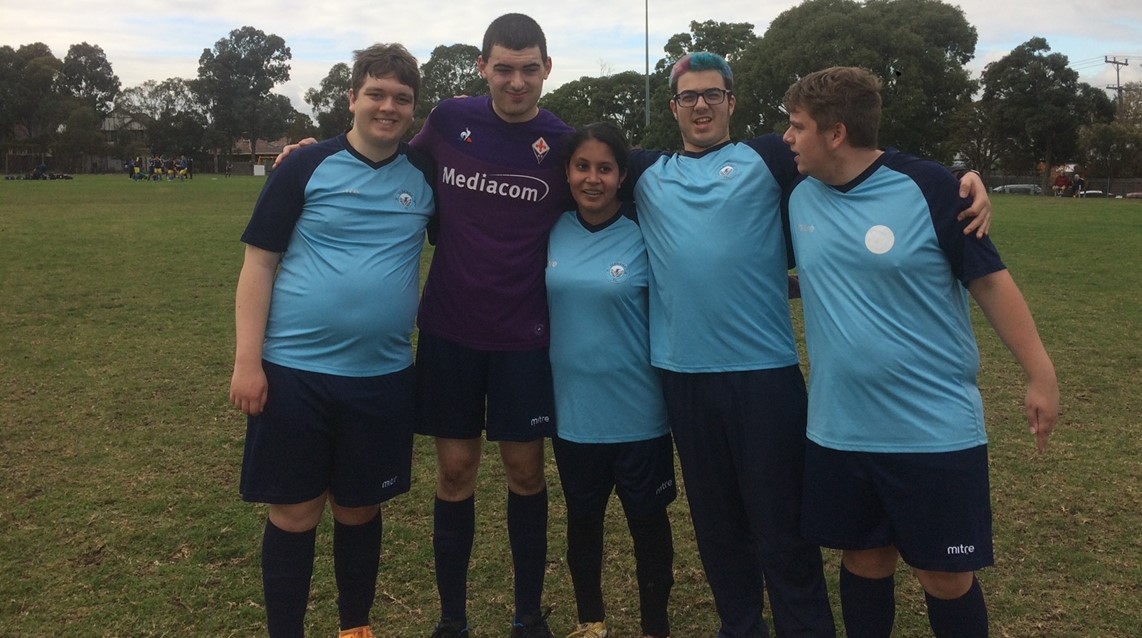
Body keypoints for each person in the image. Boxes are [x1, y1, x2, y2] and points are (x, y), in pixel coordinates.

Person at [619, 52, 994, 638]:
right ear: (673, 106)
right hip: (682, 376)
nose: (700, 105)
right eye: (688, 96)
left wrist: (956, 179)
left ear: (731, 102)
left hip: (764, 376)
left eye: (712, 94)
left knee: (780, 528)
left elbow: (861, 154)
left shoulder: (770, 156)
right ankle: (740, 627)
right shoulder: (645, 172)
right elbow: (570, 166)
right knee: (718, 529)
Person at [274, 16, 571, 638]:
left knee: (525, 473)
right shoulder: (448, 121)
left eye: (528, 68)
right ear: (483, 67)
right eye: (503, 67)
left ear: (547, 67)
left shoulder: (561, 141)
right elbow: (378, 146)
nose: (515, 81)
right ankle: (452, 620)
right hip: (449, 331)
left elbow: (610, 187)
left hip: (526, 337)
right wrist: (315, 149)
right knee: (456, 471)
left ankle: (527, 615)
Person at [781, 66, 1058, 638]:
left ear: (835, 133)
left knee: (945, 575)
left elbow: (989, 282)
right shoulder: (799, 194)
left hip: (932, 429)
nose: (787, 137)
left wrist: (1040, 373)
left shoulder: (932, 187)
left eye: (797, 126)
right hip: (840, 427)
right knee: (863, 560)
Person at [228, 43, 434, 638]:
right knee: (295, 512)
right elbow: (259, 265)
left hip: (383, 374)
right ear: (352, 99)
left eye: (401, 97)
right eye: (376, 93)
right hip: (294, 372)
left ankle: (354, 626)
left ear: (413, 109)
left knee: (359, 508)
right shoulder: (303, 165)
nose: (388, 107)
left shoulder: (425, 177)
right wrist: (248, 362)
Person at [546, 122, 675, 638]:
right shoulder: (551, 229)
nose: (592, 179)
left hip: (639, 415)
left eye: (604, 168)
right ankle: (590, 620)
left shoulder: (648, 234)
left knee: (649, 528)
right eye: (582, 167)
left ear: (623, 175)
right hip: (574, 415)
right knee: (583, 524)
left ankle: (654, 625)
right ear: (568, 173)